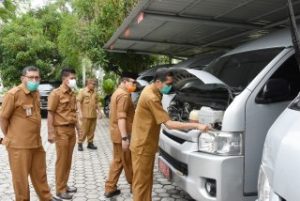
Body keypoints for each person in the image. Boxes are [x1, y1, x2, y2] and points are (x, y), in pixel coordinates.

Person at [130, 68, 210, 201]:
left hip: (144, 143)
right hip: (142, 146)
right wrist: (196, 125)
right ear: (158, 82)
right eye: (168, 84)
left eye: (171, 84)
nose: (170, 87)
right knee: (141, 184)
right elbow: (169, 124)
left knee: (146, 181)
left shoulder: (152, 90)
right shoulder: (151, 97)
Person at [0, 66, 61, 201]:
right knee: (20, 180)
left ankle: (46, 198)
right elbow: (3, 118)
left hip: (36, 143)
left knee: (40, 174)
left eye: (37, 77)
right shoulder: (13, 94)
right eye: (31, 77)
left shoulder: (36, 93)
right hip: (19, 146)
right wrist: (10, 136)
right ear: (23, 79)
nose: (34, 80)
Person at [47, 68, 82, 200]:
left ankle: (64, 184)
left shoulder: (72, 94)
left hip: (71, 130)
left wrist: (79, 129)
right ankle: (60, 190)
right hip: (61, 130)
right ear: (64, 79)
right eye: (71, 78)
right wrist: (50, 133)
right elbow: (50, 113)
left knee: (68, 160)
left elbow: (74, 113)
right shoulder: (56, 94)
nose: (74, 80)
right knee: (61, 161)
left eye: (74, 78)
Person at [104, 76, 136, 198]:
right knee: (128, 161)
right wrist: (124, 138)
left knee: (118, 161)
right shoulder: (123, 95)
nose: (134, 85)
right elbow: (121, 118)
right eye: (132, 82)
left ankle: (110, 188)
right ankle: (135, 186)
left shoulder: (117, 92)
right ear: (124, 82)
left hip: (116, 133)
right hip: (122, 134)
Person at [77, 78, 101, 151]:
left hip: (93, 115)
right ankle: (80, 143)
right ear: (88, 84)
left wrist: (99, 112)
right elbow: (78, 102)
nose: (94, 85)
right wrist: (80, 112)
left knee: (92, 130)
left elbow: (97, 103)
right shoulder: (82, 92)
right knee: (83, 130)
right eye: (93, 84)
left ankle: (90, 143)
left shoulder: (95, 92)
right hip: (85, 115)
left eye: (94, 84)